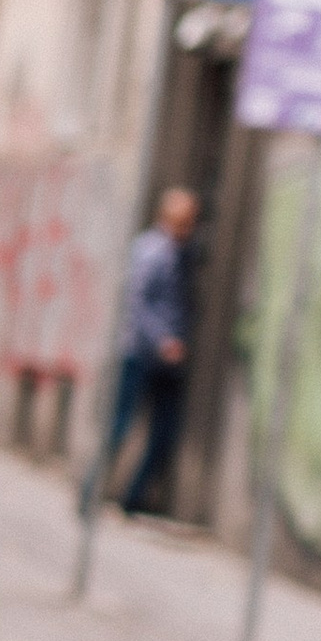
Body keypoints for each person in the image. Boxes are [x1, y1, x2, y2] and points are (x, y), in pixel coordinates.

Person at [99, 185, 200, 517]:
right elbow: (137, 303)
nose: (189, 227)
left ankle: (132, 499)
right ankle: (92, 490)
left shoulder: (182, 253)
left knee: (164, 435)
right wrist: (162, 340)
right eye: (185, 220)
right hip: (141, 354)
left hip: (168, 362)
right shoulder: (151, 250)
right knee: (120, 426)